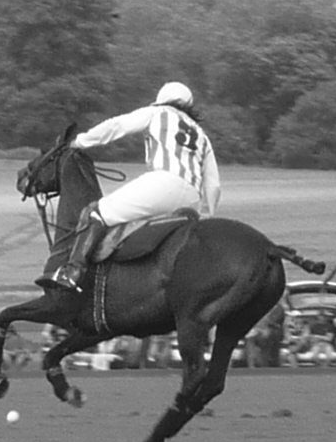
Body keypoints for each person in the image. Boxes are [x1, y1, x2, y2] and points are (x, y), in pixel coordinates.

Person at [40, 82, 221, 295]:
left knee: (95, 213)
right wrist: (206, 215)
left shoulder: (157, 112)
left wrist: (80, 142)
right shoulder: (201, 135)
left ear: (161, 99)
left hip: (163, 183)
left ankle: (72, 273)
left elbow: (117, 126)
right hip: (192, 197)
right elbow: (214, 185)